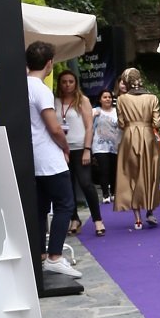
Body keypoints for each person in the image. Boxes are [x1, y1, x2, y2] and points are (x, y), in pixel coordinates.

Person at [26, 41, 81, 280]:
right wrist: (65, 147)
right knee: (64, 205)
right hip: (49, 157)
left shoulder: (21, 85)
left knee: (40, 208)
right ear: (49, 64)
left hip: (32, 156)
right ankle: (55, 257)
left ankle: (40, 254)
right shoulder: (40, 90)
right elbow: (54, 128)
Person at [55, 69, 105, 236]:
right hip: (61, 149)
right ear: (59, 84)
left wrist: (87, 149)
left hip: (80, 148)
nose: (67, 85)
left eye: (71, 81)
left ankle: (98, 220)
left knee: (86, 184)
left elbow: (89, 127)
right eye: (64, 82)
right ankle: (74, 219)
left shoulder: (82, 100)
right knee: (66, 186)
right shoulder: (55, 101)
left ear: (76, 83)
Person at [114, 67, 160, 229]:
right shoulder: (152, 98)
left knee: (131, 176)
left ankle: (137, 219)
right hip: (148, 136)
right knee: (150, 174)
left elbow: (121, 123)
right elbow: (157, 123)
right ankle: (150, 210)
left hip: (129, 137)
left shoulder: (122, 99)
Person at [91, 89, 120, 202]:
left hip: (115, 146)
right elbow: (88, 125)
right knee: (104, 170)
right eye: (105, 97)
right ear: (100, 99)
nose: (107, 99)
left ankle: (113, 192)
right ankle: (105, 194)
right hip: (99, 146)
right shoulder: (95, 111)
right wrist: (93, 116)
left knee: (114, 170)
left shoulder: (117, 112)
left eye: (109, 97)